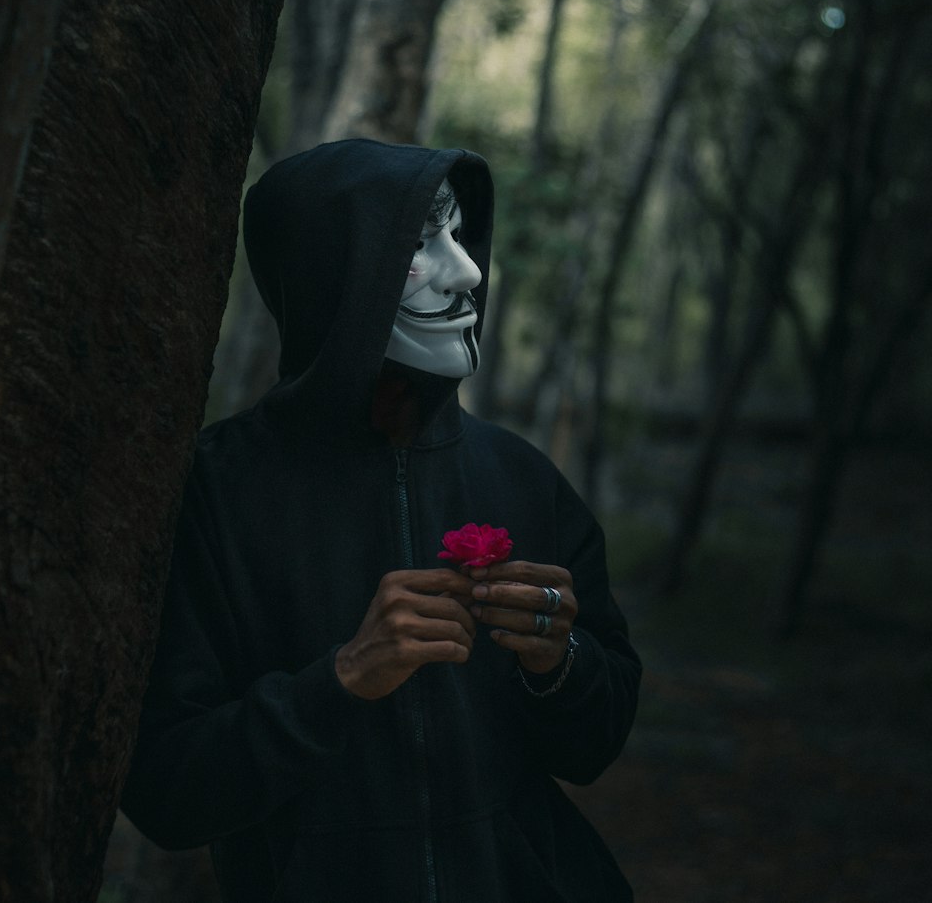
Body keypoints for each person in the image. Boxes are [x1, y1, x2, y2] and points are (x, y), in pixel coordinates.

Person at [121, 139, 641, 902]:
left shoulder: (519, 475)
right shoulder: (213, 493)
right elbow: (168, 794)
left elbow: (594, 747)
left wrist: (557, 663)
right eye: (421, 243)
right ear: (332, 271)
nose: (467, 271)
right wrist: (342, 680)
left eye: (460, 235)